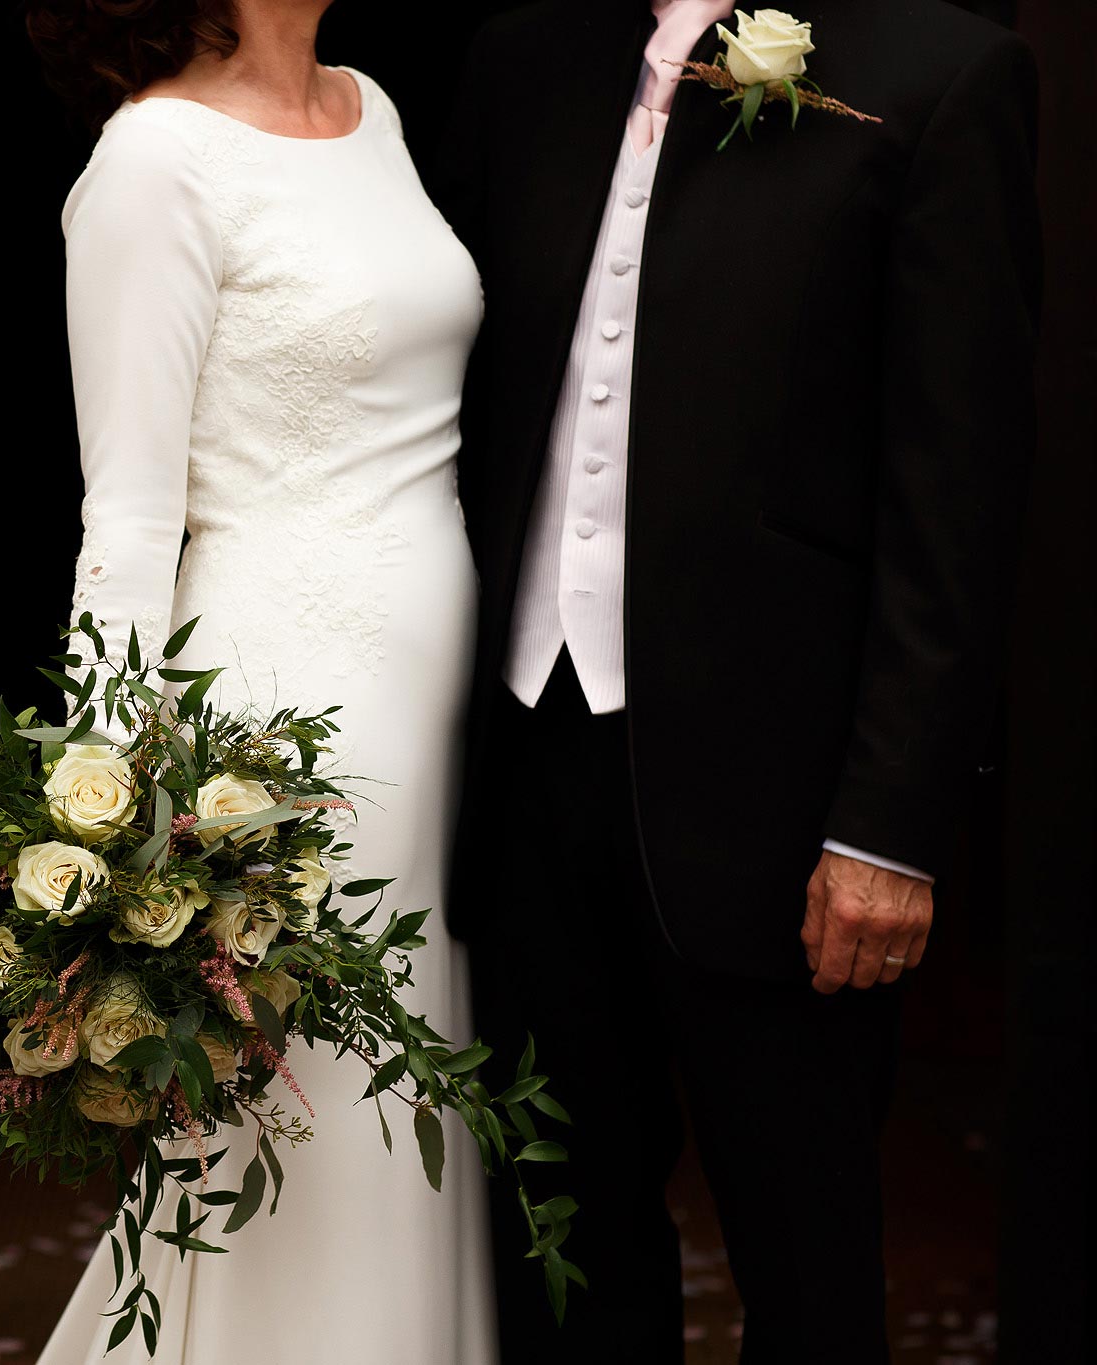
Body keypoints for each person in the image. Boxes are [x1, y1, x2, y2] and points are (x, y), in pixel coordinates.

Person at [435, 1, 1039, 1360]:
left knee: (809, 1265)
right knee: (562, 1255)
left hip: (788, 804)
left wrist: (888, 822)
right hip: (529, 760)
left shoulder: (937, 71)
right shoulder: (524, 57)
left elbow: (959, 488)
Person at [24, 0, 497, 1361]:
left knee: (407, 1102)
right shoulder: (153, 161)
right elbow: (124, 517)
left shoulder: (374, 107)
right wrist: (99, 833)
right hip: (281, 726)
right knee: (307, 1119)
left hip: (439, 711)